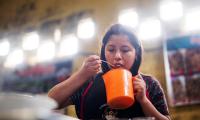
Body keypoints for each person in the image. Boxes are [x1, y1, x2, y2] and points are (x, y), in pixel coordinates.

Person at [48, 24, 170, 120]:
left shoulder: (149, 84)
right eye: (111, 49)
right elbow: (50, 103)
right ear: (103, 53)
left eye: (125, 50)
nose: (117, 56)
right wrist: (82, 74)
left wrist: (144, 100)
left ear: (136, 54)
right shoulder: (89, 82)